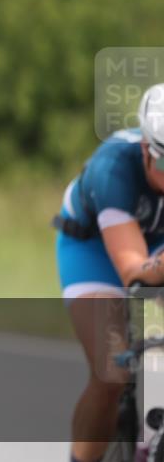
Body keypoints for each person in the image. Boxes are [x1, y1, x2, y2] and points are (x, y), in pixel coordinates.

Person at [55, 82, 164, 462]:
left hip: (157, 246)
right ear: (146, 150)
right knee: (110, 372)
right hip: (96, 250)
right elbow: (134, 271)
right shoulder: (113, 169)